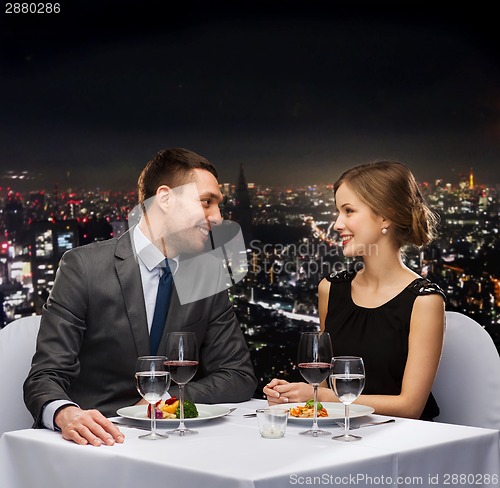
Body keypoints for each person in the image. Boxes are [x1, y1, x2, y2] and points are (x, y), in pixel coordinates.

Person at [24, 148, 257, 446]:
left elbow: (238, 374)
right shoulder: (83, 267)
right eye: (206, 202)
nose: (218, 217)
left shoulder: (206, 274)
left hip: (179, 441)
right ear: (165, 198)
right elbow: (45, 376)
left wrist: (166, 401)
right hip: (97, 442)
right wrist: (66, 414)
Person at [264, 161, 445, 421]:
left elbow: (410, 407)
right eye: (338, 212)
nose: (337, 224)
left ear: (386, 216)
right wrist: (294, 395)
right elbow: (325, 384)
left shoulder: (424, 300)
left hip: (403, 443)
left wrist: (320, 397)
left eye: (348, 211)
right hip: (339, 434)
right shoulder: (330, 289)